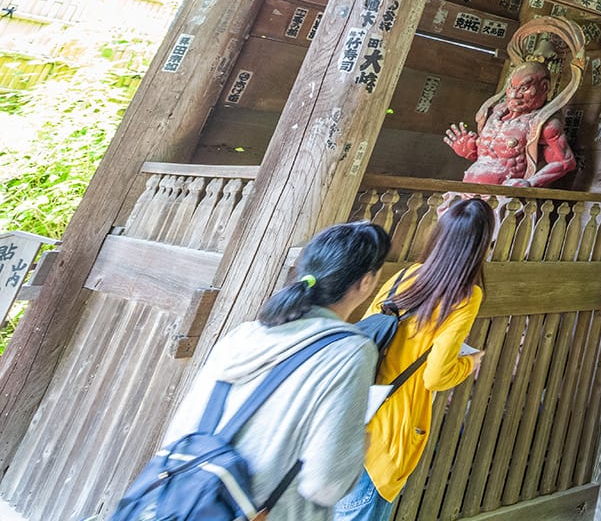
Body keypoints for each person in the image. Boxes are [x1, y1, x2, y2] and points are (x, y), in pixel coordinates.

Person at [158, 221, 391, 521]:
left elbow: (179, 435)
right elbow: (326, 485)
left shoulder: (244, 334)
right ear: (366, 282)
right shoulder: (349, 351)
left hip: (183, 504)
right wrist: (358, 444)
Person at [335, 197, 495, 521]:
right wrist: (469, 364)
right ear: (482, 246)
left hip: (351, 416)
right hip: (389, 434)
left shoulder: (406, 275)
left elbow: (371, 332)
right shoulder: (466, 295)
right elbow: (435, 377)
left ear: (439, 236)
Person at [444, 62, 576, 187]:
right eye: (511, 87)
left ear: (544, 87)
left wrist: (531, 182)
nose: (514, 95)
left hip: (504, 199)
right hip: (468, 188)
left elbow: (565, 162)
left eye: (523, 88)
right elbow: (487, 156)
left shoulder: (545, 124)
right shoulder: (493, 112)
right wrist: (469, 150)